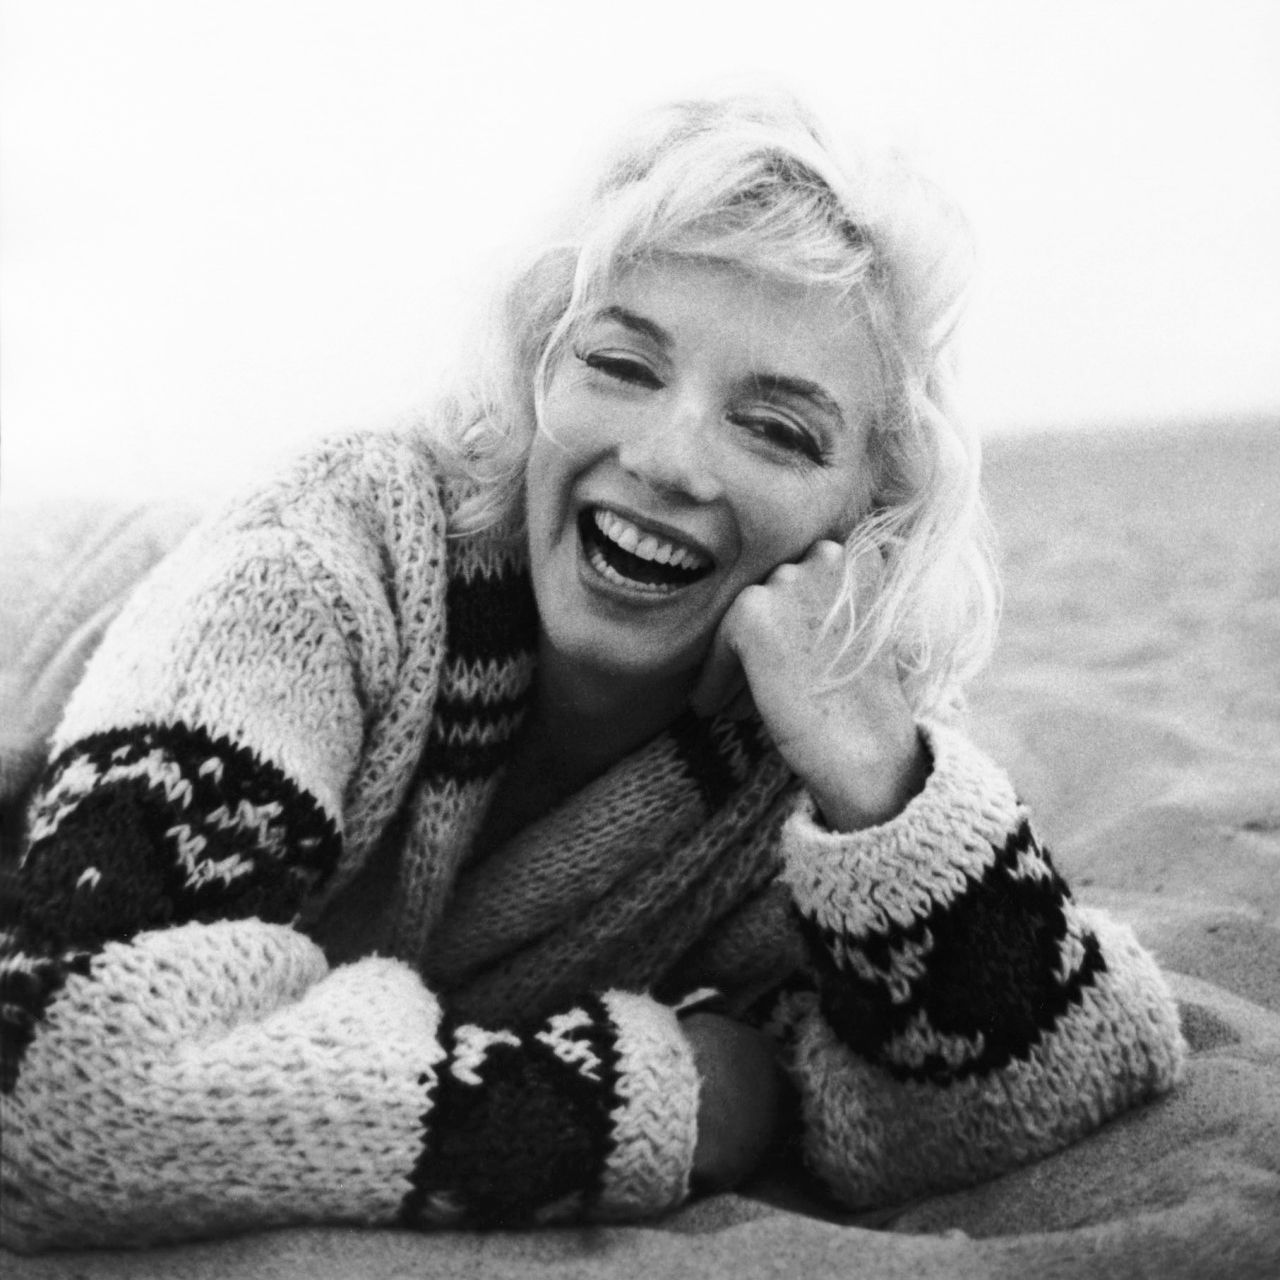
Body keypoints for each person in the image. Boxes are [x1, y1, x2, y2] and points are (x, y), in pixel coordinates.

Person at [0, 93, 1185, 1252]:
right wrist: (669, 1102)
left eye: (775, 429)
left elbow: (1050, 1078)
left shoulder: (794, 762)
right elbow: (62, 1086)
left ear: (864, 522)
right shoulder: (327, 556)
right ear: (537, 376)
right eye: (621, 363)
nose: (666, 459)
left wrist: (880, 780)